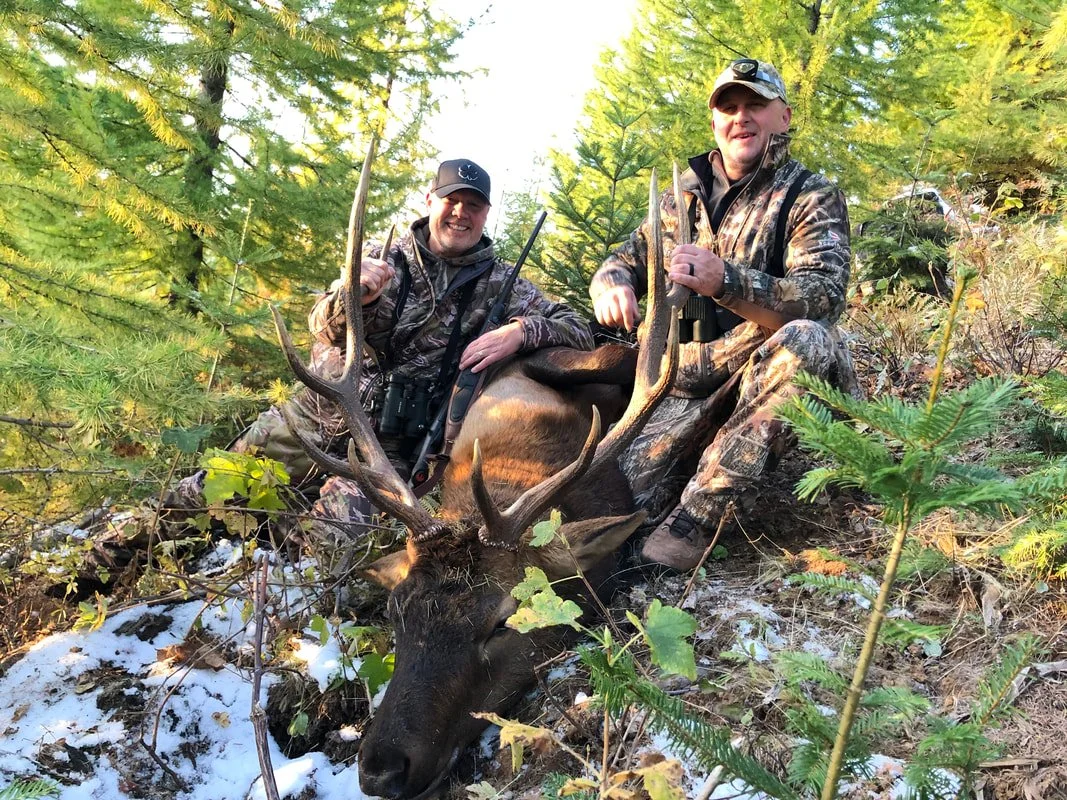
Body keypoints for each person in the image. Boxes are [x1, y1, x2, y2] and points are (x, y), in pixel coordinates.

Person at [168, 158, 594, 538]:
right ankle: (109, 556)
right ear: (430, 200)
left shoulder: (505, 285)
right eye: (452, 200)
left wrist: (520, 332)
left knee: (330, 545)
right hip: (313, 419)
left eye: (474, 205)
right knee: (196, 497)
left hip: (388, 451)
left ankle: (269, 543)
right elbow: (321, 327)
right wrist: (354, 294)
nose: (461, 213)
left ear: (485, 213)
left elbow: (578, 330)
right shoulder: (381, 256)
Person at [589, 58, 858, 571]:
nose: (742, 117)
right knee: (612, 506)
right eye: (729, 107)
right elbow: (624, 259)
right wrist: (611, 282)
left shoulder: (810, 194)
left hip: (764, 363)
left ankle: (697, 520)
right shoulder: (678, 200)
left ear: (784, 116)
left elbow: (823, 295)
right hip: (682, 383)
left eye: (755, 105)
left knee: (808, 338)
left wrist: (727, 282)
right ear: (714, 120)